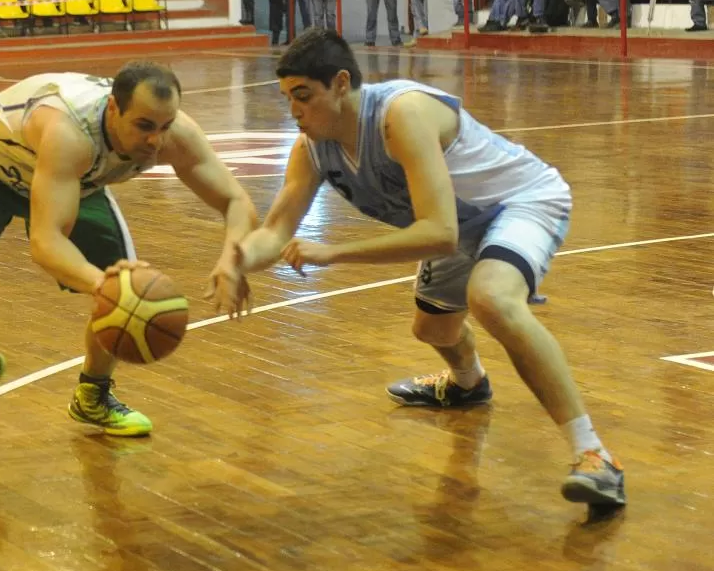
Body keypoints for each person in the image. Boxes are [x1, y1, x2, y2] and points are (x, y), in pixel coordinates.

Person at [225, 28, 625, 507]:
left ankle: (595, 455)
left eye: (303, 96)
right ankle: (467, 385)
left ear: (340, 83)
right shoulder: (310, 148)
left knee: (492, 298)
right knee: (433, 331)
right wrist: (235, 262)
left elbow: (439, 235)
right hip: (456, 220)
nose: (294, 111)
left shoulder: (401, 114)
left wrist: (334, 253)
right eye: (288, 97)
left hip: (519, 202)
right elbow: (275, 231)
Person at [0, 63, 257, 440]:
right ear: (113, 109)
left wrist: (233, 261)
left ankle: (93, 395)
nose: (155, 141)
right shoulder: (70, 132)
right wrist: (101, 285)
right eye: (144, 126)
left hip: (75, 179)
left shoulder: (176, 136)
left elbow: (236, 201)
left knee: (125, 292)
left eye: (164, 126)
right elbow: (46, 243)